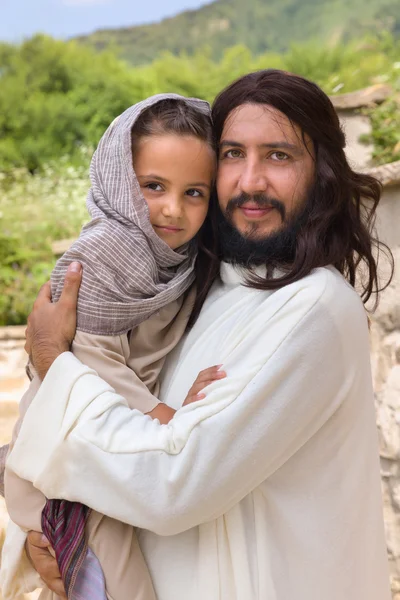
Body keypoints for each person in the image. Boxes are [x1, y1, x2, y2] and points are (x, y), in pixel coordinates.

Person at [5, 70, 394, 600]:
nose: (251, 180)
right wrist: (56, 540)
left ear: (321, 173)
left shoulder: (311, 308)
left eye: (279, 156)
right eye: (233, 154)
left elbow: (172, 482)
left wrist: (54, 361)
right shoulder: (199, 290)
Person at [1, 93, 223, 600]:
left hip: (107, 444)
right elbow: (93, 364)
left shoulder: (183, 260)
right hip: (69, 450)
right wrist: (167, 414)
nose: (173, 209)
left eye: (195, 193)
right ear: (120, 183)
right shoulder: (103, 255)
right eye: (153, 186)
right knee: (125, 586)